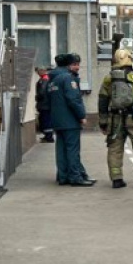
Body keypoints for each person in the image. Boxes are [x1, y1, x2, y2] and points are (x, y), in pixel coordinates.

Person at [99, 48, 133, 190]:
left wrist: (103, 121)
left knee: (114, 148)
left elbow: (103, 100)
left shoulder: (109, 78)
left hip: (115, 118)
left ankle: (116, 179)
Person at [47, 53, 94, 186]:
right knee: (73, 150)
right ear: (69, 65)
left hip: (57, 120)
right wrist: (82, 115)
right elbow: (73, 99)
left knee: (61, 150)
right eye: (75, 64)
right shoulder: (68, 79)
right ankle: (75, 177)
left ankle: (63, 176)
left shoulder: (52, 79)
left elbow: (47, 100)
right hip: (70, 120)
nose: (77, 67)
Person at [34, 66, 54, 143]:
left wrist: (37, 97)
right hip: (45, 104)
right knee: (45, 120)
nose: (38, 73)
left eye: (39, 71)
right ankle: (47, 136)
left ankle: (49, 137)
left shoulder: (44, 79)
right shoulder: (45, 79)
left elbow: (42, 92)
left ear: (43, 71)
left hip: (44, 105)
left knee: (46, 121)